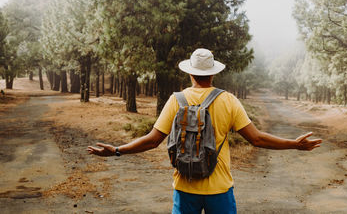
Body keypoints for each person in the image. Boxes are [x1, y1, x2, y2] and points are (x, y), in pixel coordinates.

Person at [87, 48, 322, 214]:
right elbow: (257, 139)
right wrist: (294, 144)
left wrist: (117, 150)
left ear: (190, 73)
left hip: (184, 187)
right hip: (219, 189)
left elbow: (152, 141)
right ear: (213, 73)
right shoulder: (228, 100)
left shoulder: (176, 100)